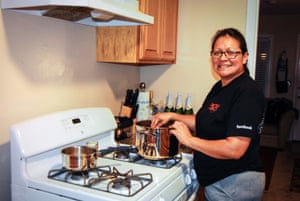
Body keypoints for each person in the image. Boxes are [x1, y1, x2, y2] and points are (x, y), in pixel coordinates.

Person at [151, 28, 266, 201]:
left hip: (236, 184)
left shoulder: (248, 91)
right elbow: (205, 121)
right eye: (217, 52)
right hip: (220, 181)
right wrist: (173, 115)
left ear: (245, 57)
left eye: (231, 53)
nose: (223, 58)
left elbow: (235, 148)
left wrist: (189, 140)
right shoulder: (221, 87)